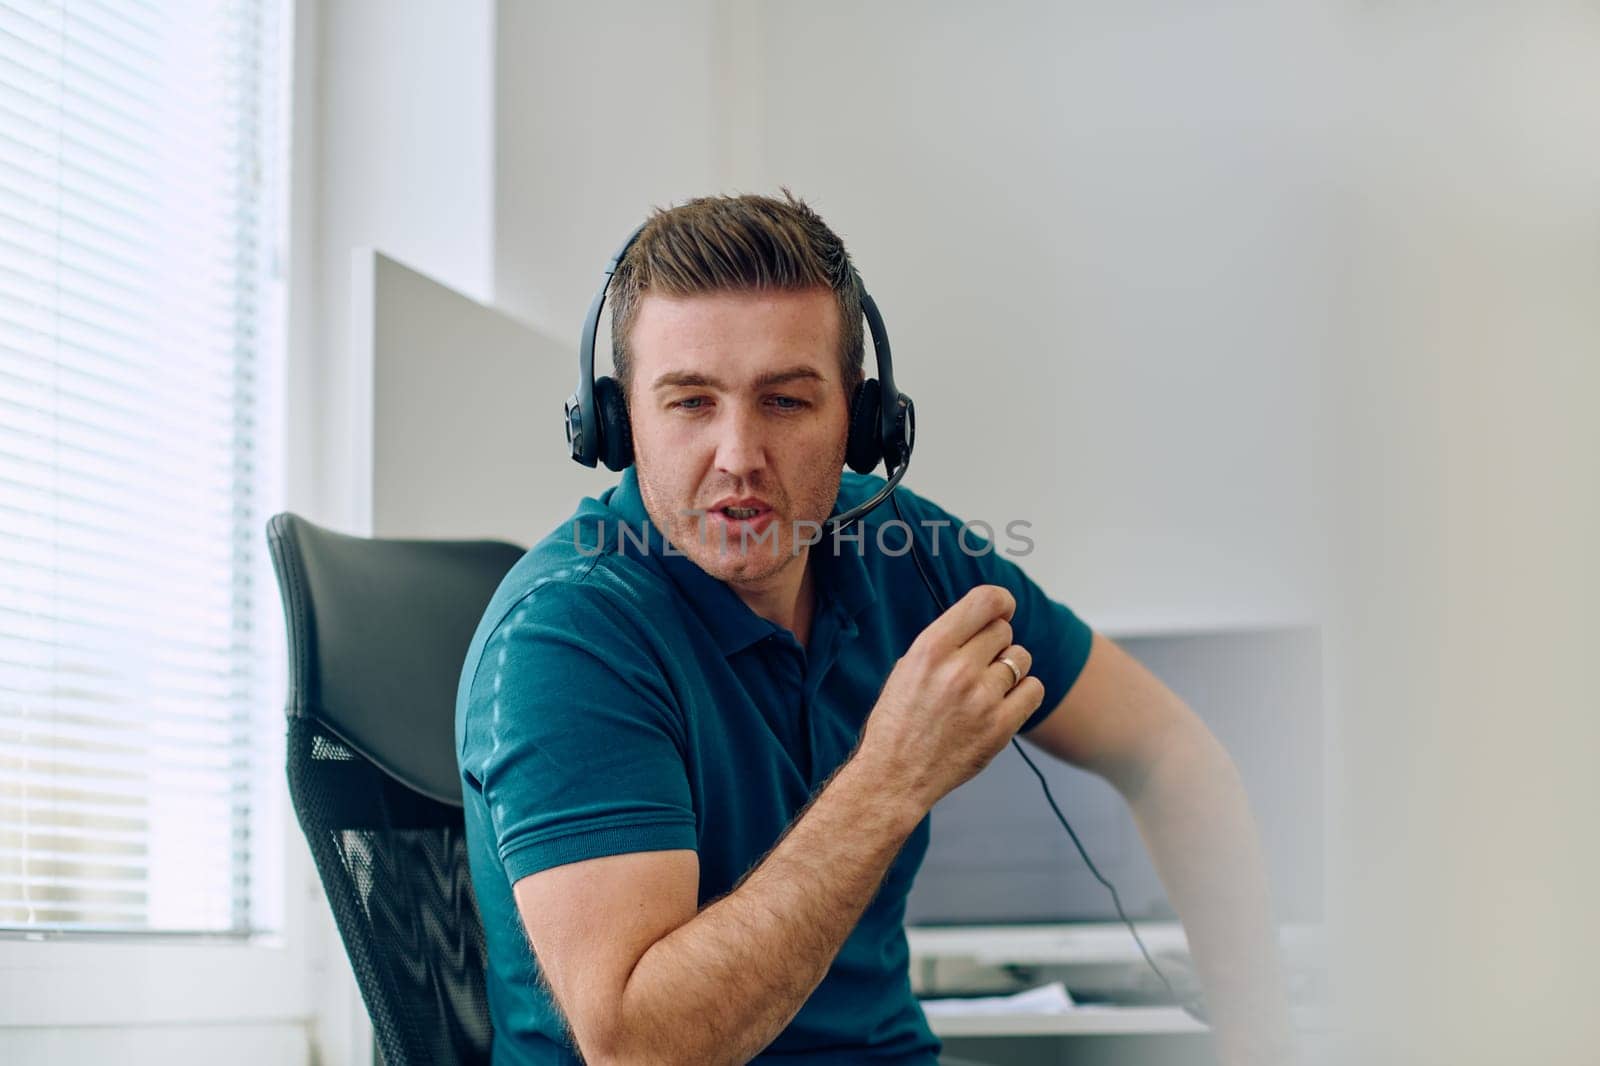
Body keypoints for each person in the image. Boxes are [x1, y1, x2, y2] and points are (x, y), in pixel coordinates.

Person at [456, 191, 1296, 1065]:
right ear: (616, 421)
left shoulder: (905, 551)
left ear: (863, 422)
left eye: (784, 402)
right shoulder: (565, 637)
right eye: (691, 403)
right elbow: (641, 1050)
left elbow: (1170, 752)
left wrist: (1263, 1043)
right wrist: (892, 776)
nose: (739, 454)